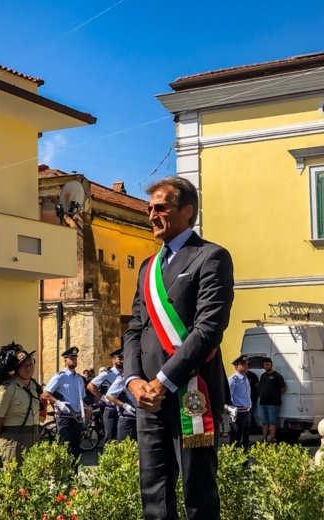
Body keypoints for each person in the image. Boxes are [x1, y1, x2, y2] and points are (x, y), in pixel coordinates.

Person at [124, 176, 234, 520]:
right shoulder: (147, 267)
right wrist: (133, 381)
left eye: (161, 207)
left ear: (187, 211)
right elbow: (134, 329)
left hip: (193, 396)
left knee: (199, 494)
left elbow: (208, 330)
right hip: (149, 401)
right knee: (153, 495)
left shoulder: (211, 257)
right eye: (149, 208)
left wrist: (162, 381)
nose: (152, 214)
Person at [0, 343, 42, 465]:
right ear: (16, 368)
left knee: (34, 481)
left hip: (34, 437)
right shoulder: (6, 389)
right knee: (14, 480)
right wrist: (9, 439)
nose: (29, 368)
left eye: (31, 364)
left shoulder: (34, 387)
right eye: (25, 365)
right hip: (14, 439)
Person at [43, 346, 87, 461]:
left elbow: (82, 398)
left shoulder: (79, 379)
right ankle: (62, 477)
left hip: (77, 418)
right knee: (63, 448)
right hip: (65, 417)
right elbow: (46, 393)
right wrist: (58, 403)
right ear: (65, 360)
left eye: (75, 358)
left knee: (75, 451)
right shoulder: (60, 377)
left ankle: (73, 477)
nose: (74, 360)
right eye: (71, 358)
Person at [87, 349, 123, 443]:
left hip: (122, 409)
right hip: (111, 409)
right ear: (113, 361)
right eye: (119, 358)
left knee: (121, 439)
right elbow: (91, 386)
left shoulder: (125, 374)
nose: (122, 360)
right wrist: (102, 397)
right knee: (110, 438)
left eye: (123, 358)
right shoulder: (106, 374)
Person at [105, 366, 137, 442]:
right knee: (126, 448)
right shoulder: (123, 379)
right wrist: (124, 405)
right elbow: (109, 395)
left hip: (137, 417)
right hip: (127, 417)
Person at [259, 357, 286, 443]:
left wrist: (275, 395)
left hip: (273, 403)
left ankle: (271, 439)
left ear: (271, 365)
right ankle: (264, 438)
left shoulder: (277, 376)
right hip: (263, 402)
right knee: (264, 422)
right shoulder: (263, 376)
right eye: (265, 365)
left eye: (268, 364)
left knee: (272, 422)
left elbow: (283, 388)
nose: (266, 366)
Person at [228, 355, 252, 447]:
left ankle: (244, 459)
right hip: (238, 411)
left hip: (246, 410)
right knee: (236, 436)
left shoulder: (245, 378)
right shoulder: (233, 379)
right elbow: (228, 395)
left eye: (246, 364)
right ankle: (234, 456)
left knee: (245, 437)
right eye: (243, 365)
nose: (246, 366)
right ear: (237, 367)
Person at [245, 362, 260, 436]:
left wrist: (256, 396)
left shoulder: (252, 375)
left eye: (246, 366)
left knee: (250, 415)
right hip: (243, 401)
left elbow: (257, 386)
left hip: (252, 398)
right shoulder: (240, 376)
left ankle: (250, 430)